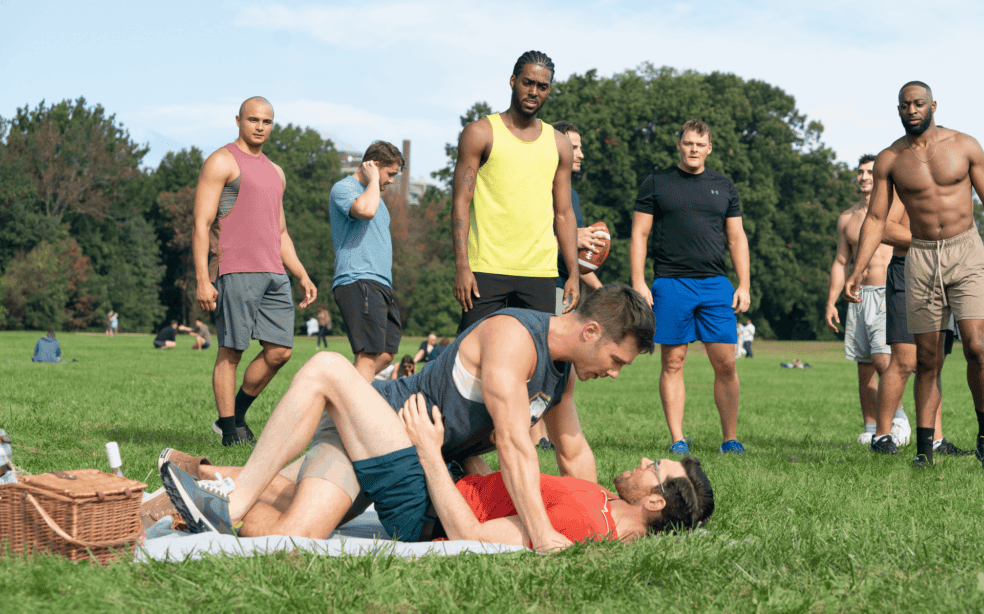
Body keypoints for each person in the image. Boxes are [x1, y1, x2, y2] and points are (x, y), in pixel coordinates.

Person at [159, 284, 655, 552]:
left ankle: (199, 481)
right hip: (374, 423)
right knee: (328, 366)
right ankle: (233, 499)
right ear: (591, 330)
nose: (613, 374)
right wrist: (542, 533)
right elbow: (513, 444)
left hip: (402, 459)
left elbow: (572, 451)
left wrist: (600, 516)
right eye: (616, 361)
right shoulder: (513, 339)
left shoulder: (561, 372)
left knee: (294, 534)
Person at [161, 393, 714, 545]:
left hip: (424, 512)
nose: (642, 461)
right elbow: (497, 491)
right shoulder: (595, 499)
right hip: (448, 478)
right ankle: (203, 477)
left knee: (331, 372)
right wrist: (470, 449)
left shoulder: (588, 526)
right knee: (299, 491)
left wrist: (429, 451)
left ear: (656, 501)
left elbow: (471, 532)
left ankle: (212, 513)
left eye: (653, 468)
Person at [845, 81, 984, 469]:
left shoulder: (964, 146)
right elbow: (875, 218)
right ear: (899, 109)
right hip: (920, 256)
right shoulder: (891, 159)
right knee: (926, 358)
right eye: (905, 105)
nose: (912, 110)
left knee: (975, 345)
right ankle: (925, 450)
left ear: (933, 105)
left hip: (967, 250)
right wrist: (857, 270)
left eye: (919, 103)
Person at [193, 96, 317, 447]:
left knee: (280, 351)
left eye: (266, 121)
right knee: (231, 352)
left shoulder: (276, 172)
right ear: (238, 121)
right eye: (253, 120)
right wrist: (203, 279)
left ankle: (235, 415)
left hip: (274, 273)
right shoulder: (222, 161)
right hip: (236, 269)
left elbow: (280, 233)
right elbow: (201, 225)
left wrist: (302, 275)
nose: (260, 126)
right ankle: (230, 433)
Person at [630, 119, 751, 455]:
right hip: (670, 283)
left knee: (726, 362)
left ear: (709, 148)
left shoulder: (724, 186)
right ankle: (678, 439)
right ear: (679, 145)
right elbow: (640, 234)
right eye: (688, 143)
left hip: (715, 285)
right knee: (673, 362)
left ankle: (730, 438)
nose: (694, 149)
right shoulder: (657, 183)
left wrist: (744, 284)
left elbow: (736, 237)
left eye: (700, 144)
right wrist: (639, 281)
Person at [451, 51, 580, 333]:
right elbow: (461, 201)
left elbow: (564, 212)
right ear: (513, 81)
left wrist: (573, 273)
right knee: (470, 362)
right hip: (485, 269)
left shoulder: (559, 145)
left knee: (536, 365)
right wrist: (462, 265)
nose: (534, 92)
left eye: (542, 87)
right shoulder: (480, 133)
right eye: (528, 82)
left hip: (539, 273)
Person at [866, 171, 984, 457]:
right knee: (906, 361)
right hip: (908, 272)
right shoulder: (907, 187)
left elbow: (968, 245)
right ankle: (882, 435)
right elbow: (884, 228)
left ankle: (935, 439)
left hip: (948, 275)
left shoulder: (956, 196)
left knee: (933, 363)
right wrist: (931, 240)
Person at [825, 154, 908, 445]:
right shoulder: (847, 219)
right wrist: (831, 301)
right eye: (860, 172)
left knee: (883, 360)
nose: (864, 177)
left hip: (889, 294)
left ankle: (898, 420)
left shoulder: (895, 212)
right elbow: (840, 262)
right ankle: (871, 427)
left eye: (871, 172)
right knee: (864, 366)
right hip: (859, 299)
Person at [329, 141, 404, 382]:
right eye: (389, 173)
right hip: (358, 279)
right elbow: (365, 211)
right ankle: (358, 417)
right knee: (368, 354)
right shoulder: (344, 188)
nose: (391, 180)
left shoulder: (376, 199)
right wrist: (373, 179)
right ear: (373, 165)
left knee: (386, 354)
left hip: (380, 284)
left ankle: (337, 401)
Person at [551, 120, 605, 314]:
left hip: (567, 289)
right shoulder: (538, 190)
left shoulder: (572, 196)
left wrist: (601, 291)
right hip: (544, 288)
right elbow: (523, 241)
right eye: (574, 148)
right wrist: (571, 238)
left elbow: (572, 255)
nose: (581, 155)